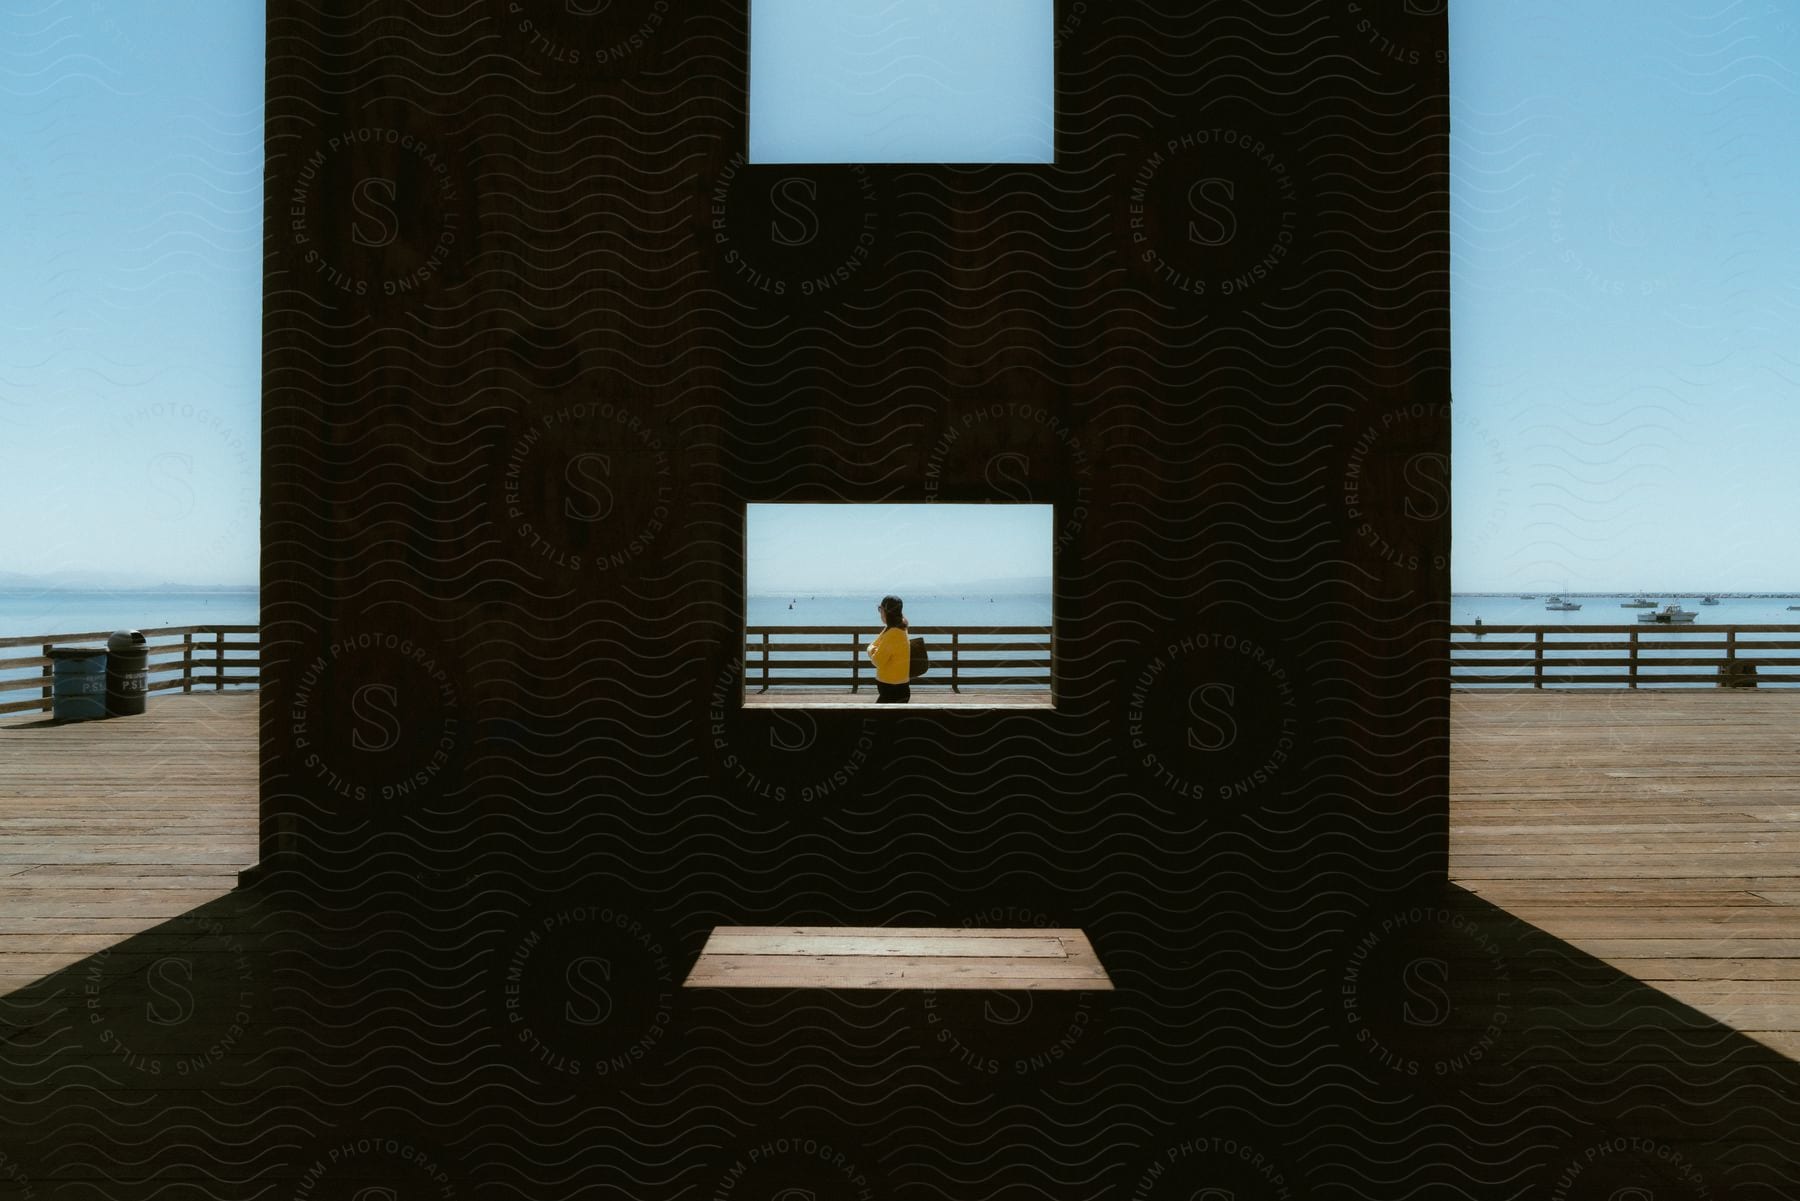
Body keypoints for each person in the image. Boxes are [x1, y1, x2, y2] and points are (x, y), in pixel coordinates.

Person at [866, 595, 911, 704]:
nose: (880, 613)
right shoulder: (899, 627)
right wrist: (873, 648)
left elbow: (877, 660)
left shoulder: (892, 633)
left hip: (892, 690)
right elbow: (875, 644)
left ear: (887, 612)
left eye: (880, 609)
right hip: (899, 687)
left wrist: (871, 650)